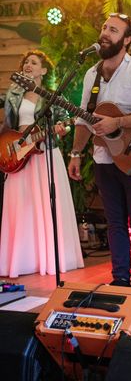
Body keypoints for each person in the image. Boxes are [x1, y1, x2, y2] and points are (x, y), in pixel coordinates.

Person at [68, 13, 131, 289]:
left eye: (113, 30)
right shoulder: (92, 74)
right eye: (104, 27)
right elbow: (84, 118)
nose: (105, 33)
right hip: (103, 158)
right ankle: (121, 279)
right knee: (115, 223)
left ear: (127, 40)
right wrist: (76, 153)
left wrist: (118, 122)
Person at [0, 50, 84, 277]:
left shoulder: (52, 96)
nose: (28, 65)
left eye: (34, 62)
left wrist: (61, 130)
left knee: (47, 205)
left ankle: (50, 258)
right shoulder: (13, 93)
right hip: (18, 156)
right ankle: (21, 259)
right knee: (20, 205)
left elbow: (67, 123)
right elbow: (8, 125)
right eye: (25, 61)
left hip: (44, 154)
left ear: (43, 70)